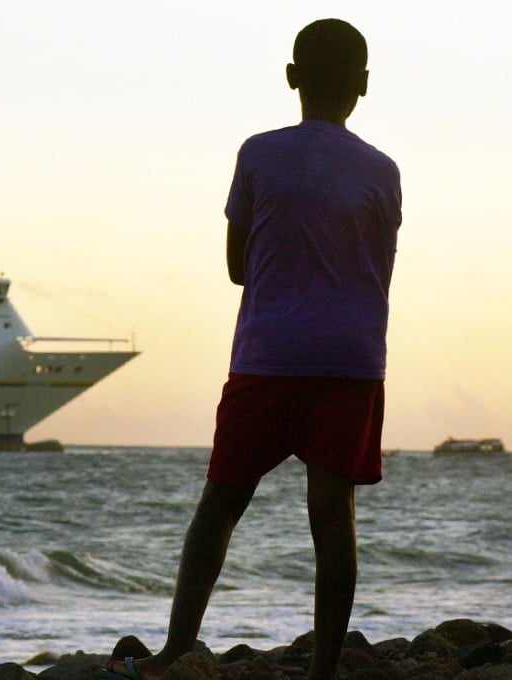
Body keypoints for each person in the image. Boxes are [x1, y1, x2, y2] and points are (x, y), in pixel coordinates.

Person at [100, 18, 402, 680]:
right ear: (365, 86)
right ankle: (324, 668)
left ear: (291, 78)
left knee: (222, 502)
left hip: (269, 351)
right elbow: (377, 264)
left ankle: (178, 646)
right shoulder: (383, 171)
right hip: (350, 357)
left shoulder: (258, 154)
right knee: (333, 514)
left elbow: (238, 266)